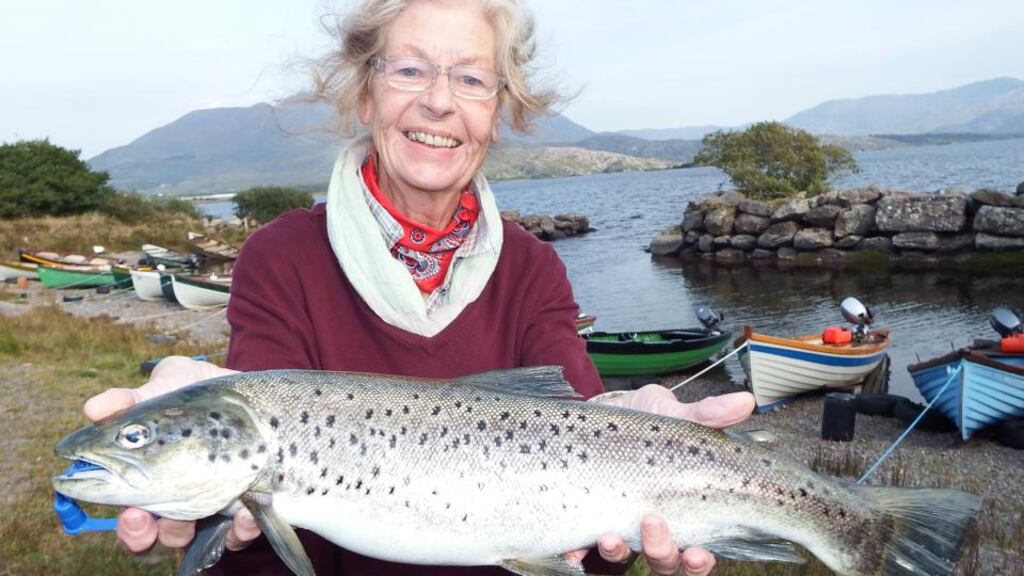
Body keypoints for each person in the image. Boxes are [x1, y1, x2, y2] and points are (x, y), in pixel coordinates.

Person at [83, 0, 755, 574]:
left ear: (499, 110)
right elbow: (258, 509)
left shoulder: (532, 267)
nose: (439, 99)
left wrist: (645, 452)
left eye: (470, 77)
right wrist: (207, 499)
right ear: (365, 92)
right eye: (409, 69)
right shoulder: (281, 256)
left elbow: (585, 491)